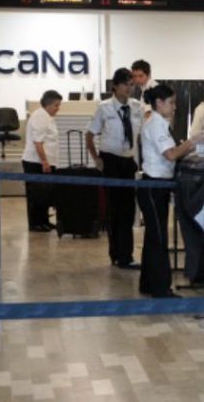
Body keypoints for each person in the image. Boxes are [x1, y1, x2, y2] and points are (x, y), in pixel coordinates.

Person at [137, 84, 203, 298]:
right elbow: (171, 154)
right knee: (158, 238)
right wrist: (191, 143)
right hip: (153, 186)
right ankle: (160, 288)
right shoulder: (155, 124)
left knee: (153, 236)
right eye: (171, 103)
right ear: (159, 103)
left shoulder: (160, 123)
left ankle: (148, 283)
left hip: (159, 185)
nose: (174, 107)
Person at [86, 68, 143, 269]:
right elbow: (89, 135)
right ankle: (116, 254)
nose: (129, 88)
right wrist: (96, 159)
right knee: (114, 209)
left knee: (128, 209)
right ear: (115, 86)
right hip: (110, 160)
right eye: (125, 84)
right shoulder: (104, 108)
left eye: (132, 85)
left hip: (128, 160)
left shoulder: (137, 106)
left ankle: (126, 255)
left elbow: (141, 133)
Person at [21, 90, 62, 232]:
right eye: (56, 105)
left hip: (44, 162)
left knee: (45, 193)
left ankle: (44, 220)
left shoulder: (46, 116)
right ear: (48, 104)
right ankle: (36, 223)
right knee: (37, 194)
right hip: (36, 162)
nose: (58, 108)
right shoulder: (40, 116)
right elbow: (38, 143)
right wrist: (44, 161)